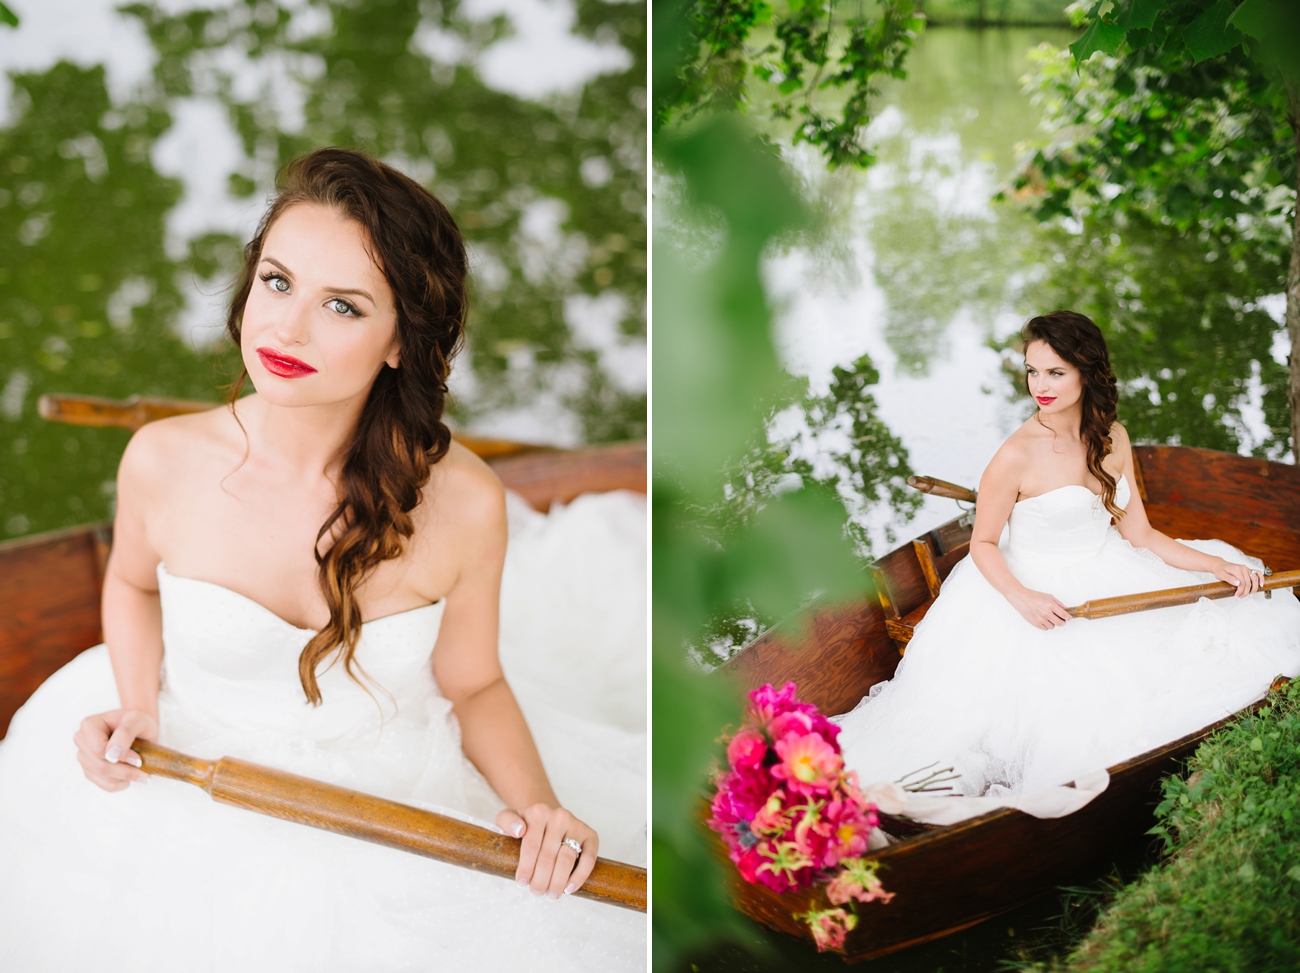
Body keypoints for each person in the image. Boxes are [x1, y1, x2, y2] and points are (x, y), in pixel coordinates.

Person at [0, 148, 646, 971]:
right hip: (186, 771)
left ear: (400, 343)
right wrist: (137, 707)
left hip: (397, 797)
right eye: (277, 282)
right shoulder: (160, 460)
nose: (287, 328)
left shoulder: (468, 503)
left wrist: (539, 806)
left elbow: (474, 681)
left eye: (342, 305)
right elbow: (131, 584)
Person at [836, 310, 1300, 800]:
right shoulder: (1014, 454)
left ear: (1087, 371)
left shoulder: (1113, 437)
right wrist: (1024, 598)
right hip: (1028, 589)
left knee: (1226, 634)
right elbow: (983, 544)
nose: (1041, 385)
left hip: (1108, 568)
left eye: (1055, 372)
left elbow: (1140, 534)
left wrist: (1216, 566)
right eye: (1033, 371)